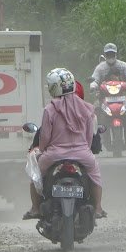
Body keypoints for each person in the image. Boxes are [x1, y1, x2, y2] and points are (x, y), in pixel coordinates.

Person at [23, 68, 106, 220]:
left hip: (54, 155)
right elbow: (89, 136)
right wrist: (84, 149)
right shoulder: (87, 108)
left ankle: (35, 209)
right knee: (95, 175)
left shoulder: (50, 109)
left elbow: (45, 136)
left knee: (35, 176)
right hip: (83, 154)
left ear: (53, 87)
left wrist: (42, 150)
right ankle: (98, 209)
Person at [28, 80, 102, 154]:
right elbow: (94, 146)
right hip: (82, 156)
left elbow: (43, 139)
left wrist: (41, 149)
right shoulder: (88, 114)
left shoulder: (51, 112)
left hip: (55, 156)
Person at [89, 42, 126, 144]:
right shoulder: (100, 68)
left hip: (121, 96)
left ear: (116, 54)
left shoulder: (123, 66)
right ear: (105, 55)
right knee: (94, 110)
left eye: (112, 54)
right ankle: (96, 135)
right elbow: (95, 79)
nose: (110, 56)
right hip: (103, 97)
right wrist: (93, 86)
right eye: (108, 54)